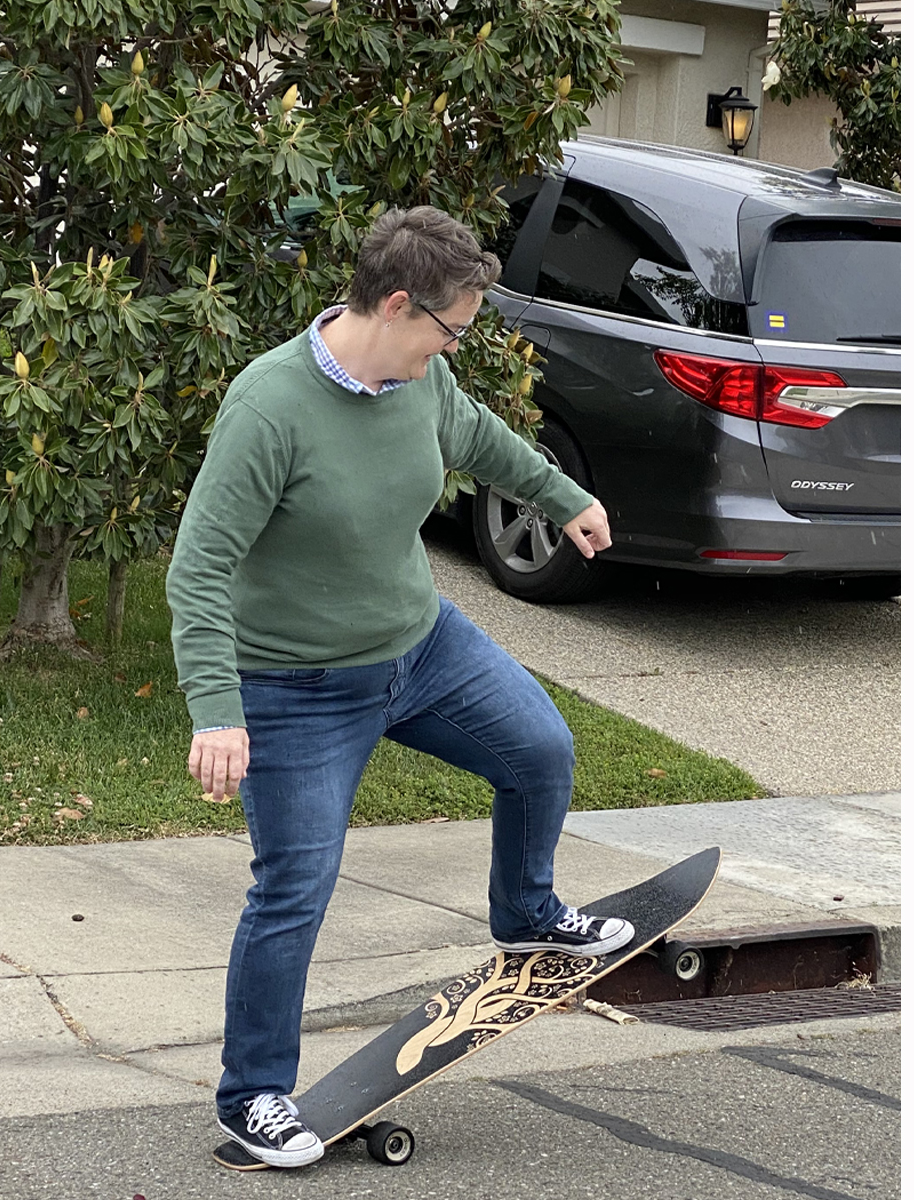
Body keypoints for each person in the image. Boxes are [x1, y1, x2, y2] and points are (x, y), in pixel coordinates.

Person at [167, 206, 635, 1169]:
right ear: (394, 304)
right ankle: (253, 1096)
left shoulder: (424, 379)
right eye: (451, 327)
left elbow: (480, 437)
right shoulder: (272, 407)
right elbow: (199, 569)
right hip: (293, 687)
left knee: (541, 752)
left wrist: (567, 498)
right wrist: (217, 709)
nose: (454, 345)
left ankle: (530, 913)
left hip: (421, 649)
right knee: (294, 887)